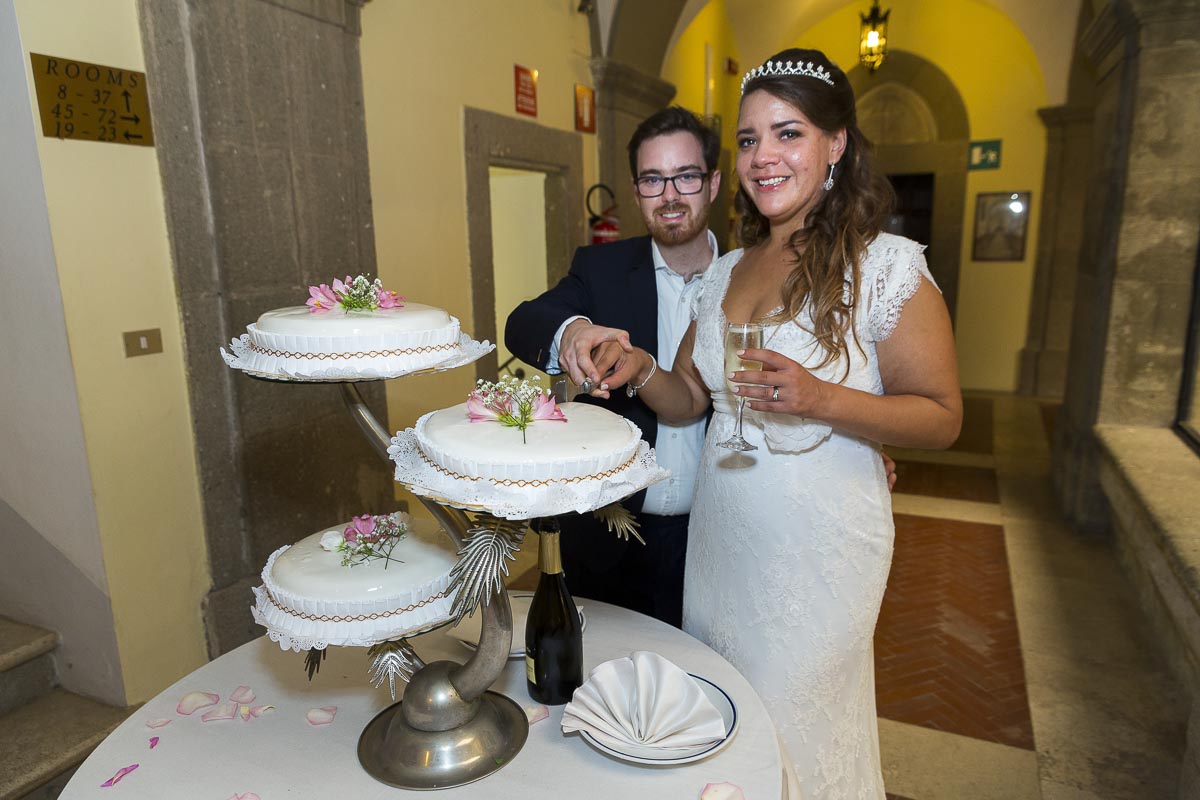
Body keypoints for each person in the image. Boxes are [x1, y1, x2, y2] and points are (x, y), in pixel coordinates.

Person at [588, 48, 962, 796]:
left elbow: (943, 418)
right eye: (752, 139)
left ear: (837, 143)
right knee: (729, 714)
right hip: (724, 534)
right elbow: (692, 398)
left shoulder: (887, 268)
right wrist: (642, 370)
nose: (765, 157)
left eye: (788, 133)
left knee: (795, 721)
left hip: (821, 544)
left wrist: (823, 398)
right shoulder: (729, 269)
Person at [504, 106, 723, 628]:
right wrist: (573, 332)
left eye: (685, 176)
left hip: (713, 541)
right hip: (607, 538)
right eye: (653, 180)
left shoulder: (747, 281)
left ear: (713, 183)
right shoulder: (599, 269)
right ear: (636, 189)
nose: (669, 195)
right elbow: (524, 322)